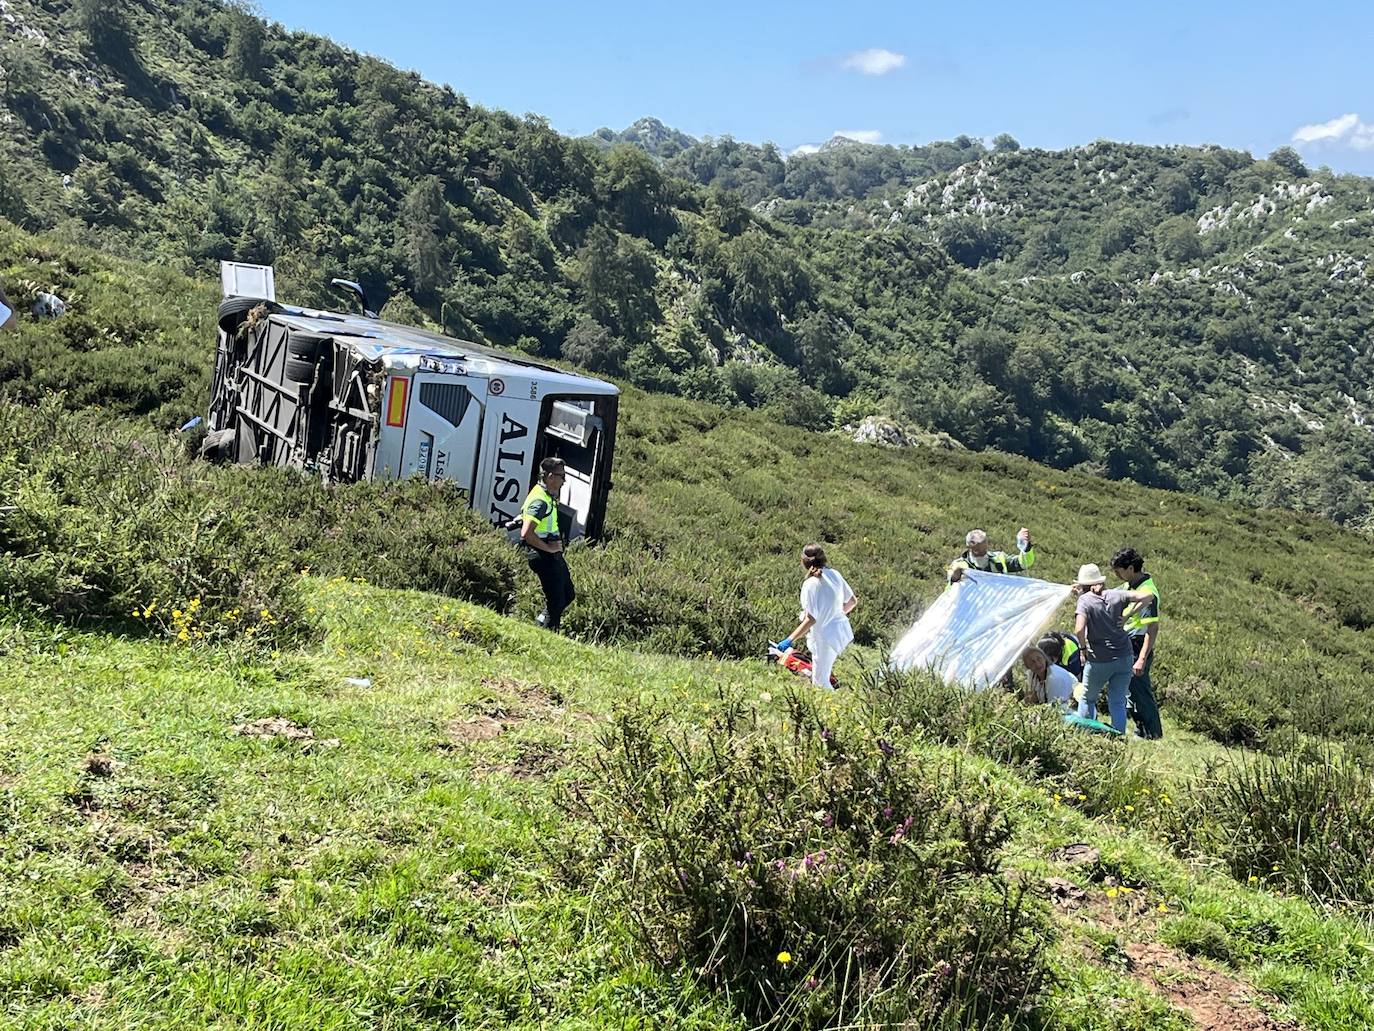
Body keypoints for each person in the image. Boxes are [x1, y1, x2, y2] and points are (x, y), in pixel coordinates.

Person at [1072, 563, 1157, 734]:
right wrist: (1128, 614)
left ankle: (1085, 733)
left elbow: (1079, 629)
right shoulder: (1116, 594)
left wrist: (1083, 649)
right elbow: (1148, 597)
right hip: (1124, 656)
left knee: (1088, 698)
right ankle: (1119, 736)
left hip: (1099, 659)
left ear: (1083, 585)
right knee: (1117, 700)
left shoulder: (1084, 600)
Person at [776, 544, 858, 689]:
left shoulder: (811, 584)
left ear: (804, 562)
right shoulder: (835, 574)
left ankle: (834, 708)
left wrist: (789, 639)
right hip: (839, 632)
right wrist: (834, 615)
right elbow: (852, 601)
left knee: (820, 682)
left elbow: (811, 619)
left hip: (824, 637)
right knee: (820, 675)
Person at [1111, 547, 1163, 740]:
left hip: (1139, 643)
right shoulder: (1129, 586)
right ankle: (1141, 728)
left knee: (1140, 688)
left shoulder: (1148, 592)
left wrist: (1142, 658)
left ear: (1131, 568)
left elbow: (1152, 628)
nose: (1116, 575)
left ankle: (1153, 731)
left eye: (1119, 571)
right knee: (1130, 687)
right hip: (1127, 641)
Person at [520, 458, 575, 631]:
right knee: (556, 601)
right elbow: (526, 534)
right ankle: (546, 633)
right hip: (543, 555)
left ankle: (540, 623)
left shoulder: (546, 494)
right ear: (550, 477)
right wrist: (550, 548)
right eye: (561, 476)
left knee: (567, 594)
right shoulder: (540, 501)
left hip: (552, 554)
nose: (564, 481)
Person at [948, 527, 1035, 583]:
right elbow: (951, 584)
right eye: (977, 550)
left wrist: (1025, 546)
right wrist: (955, 576)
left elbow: (1024, 563)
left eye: (984, 549)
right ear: (969, 547)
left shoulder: (999, 559)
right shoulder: (959, 564)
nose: (981, 553)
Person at [1020, 646, 1078, 711]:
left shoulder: (1054, 679)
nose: (1037, 664)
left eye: (1039, 658)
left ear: (1044, 658)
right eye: (1032, 662)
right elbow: (1030, 695)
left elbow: (1053, 708)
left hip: (1068, 709)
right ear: (1028, 666)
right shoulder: (1031, 674)